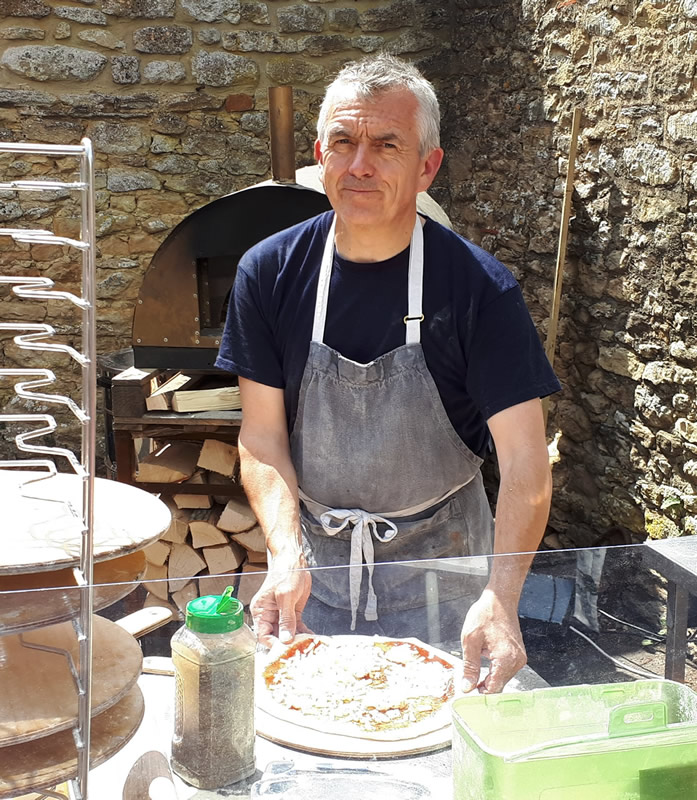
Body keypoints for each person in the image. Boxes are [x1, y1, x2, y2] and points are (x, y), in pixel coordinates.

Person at [216, 54, 560, 693]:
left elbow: (525, 463)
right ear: (320, 155)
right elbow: (261, 439)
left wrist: (502, 596)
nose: (359, 165)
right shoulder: (268, 273)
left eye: (386, 145)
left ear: (428, 165)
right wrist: (286, 557)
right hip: (313, 582)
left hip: (450, 582)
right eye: (343, 143)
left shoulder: (480, 290)